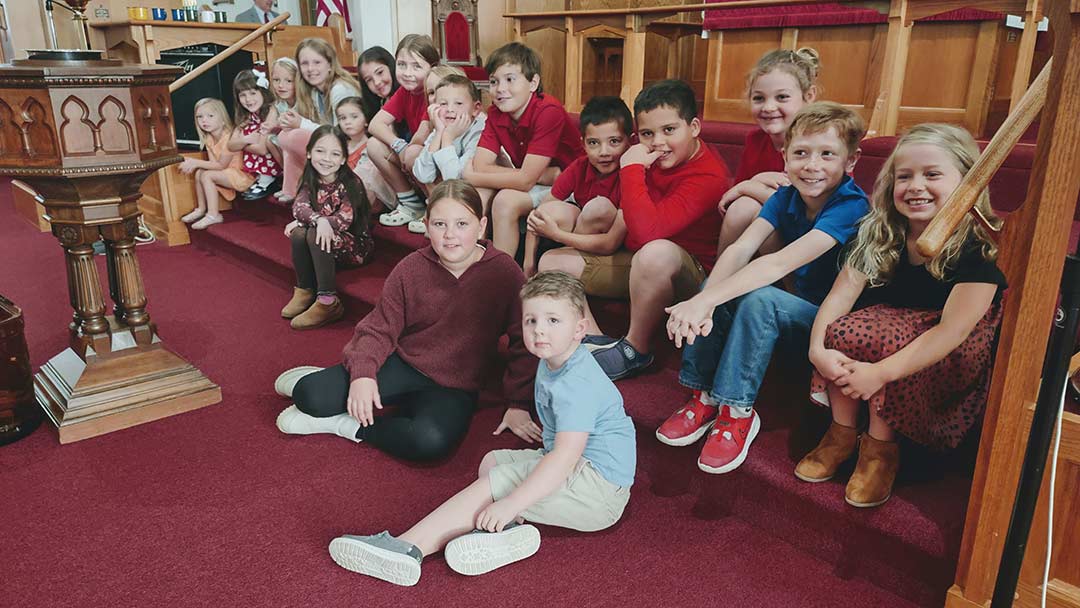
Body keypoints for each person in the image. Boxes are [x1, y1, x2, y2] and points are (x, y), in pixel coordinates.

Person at [326, 271, 635, 586]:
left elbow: (565, 458)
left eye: (553, 321)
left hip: (596, 490)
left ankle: (407, 547)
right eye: (531, 321)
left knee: (499, 483)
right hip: (578, 469)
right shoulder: (554, 357)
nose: (539, 331)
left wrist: (512, 502)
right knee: (492, 463)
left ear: (580, 329)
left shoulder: (575, 384)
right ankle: (503, 533)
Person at [795, 124, 1007, 507]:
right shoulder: (879, 231)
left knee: (883, 338)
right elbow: (840, 295)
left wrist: (879, 373)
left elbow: (953, 331)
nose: (915, 186)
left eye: (932, 174)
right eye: (904, 176)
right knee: (843, 329)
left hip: (946, 351)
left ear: (968, 181)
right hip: (885, 332)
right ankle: (841, 433)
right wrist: (816, 349)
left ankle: (879, 449)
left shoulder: (977, 247)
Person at [659, 101, 869, 475]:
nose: (812, 165)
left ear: (850, 161)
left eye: (827, 155)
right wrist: (704, 298)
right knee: (715, 283)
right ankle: (703, 394)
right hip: (796, 301)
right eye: (801, 153)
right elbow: (742, 247)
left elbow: (779, 263)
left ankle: (736, 409)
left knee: (761, 298)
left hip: (829, 322)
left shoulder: (850, 206)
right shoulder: (785, 196)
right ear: (785, 156)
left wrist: (704, 302)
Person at [275, 180, 541, 461]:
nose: (450, 235)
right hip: (404, 365)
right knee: (309, 396)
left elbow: (523, 340)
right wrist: (363, 374)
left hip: (454, 386)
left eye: (462, 224)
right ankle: (332, 375)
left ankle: (347, 426)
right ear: (426, 225)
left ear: (482, 225)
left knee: (430, 443)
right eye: (440, 225)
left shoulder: (504, 272)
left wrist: (518, 403)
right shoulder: (411, 268)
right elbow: (378, 328)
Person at [543, 80, 729, 380]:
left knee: (654, 252)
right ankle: (596, 338)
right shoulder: (648, 157)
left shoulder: (707, 175)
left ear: (693, 127)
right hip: (638, 259)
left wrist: (631, 169)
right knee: (552, 263)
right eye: (647, 133)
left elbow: (646, 235)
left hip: (689, 274)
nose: (658, 142)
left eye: (669, 130)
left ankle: (636, 349)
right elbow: (629, 226)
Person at [462, 42, 583, 257]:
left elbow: (523, 180)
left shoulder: (548, 110)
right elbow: (482, 164)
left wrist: (472, 176)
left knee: (505, 200)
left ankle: (503, 273)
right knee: (478, 193)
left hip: (571, 187)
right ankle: (472, 263)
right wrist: (541, 175)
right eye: (493, 81)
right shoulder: (496, 113)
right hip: (543, 180)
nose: (500, 89)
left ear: (533, 82)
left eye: (510, 79)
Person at [717, 48, 820, 257]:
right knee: (742, 209)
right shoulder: (756, 140)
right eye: (759, 98)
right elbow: (736, 199)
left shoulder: (820, 143)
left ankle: (787, 288)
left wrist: (749, 185)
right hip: (763, 232)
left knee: (758, 215)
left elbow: (805, 210)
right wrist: (751, 183)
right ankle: (718, 279)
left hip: (810, 236)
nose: (769, 107)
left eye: (782, 97)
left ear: (809, 96)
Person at [523, 96, 632, 277]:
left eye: (614, 141)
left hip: (616, 245)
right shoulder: (580, 166)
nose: (603, 152)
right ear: (583, 144)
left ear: (629, 141)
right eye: (594, 143)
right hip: (583, 233)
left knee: (599, 207)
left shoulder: (630, 173)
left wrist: (557, 235)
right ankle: (557, 259)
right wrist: (528, 265)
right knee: (551, 210)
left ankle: (562, 259)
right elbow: (539, 215)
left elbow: (611, 243)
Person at [280, 125, 374, 330]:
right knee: (298, 233)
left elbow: (345, 220)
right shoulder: (310, 179)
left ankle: (328, 301)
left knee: (313, 232)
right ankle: (305, 290)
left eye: (335, 153)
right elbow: (299, 207)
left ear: (343, 159)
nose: (326, 158)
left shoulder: (351, 182)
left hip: (355, 245)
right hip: (325, 239)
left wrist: (315, 221)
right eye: (320, 151)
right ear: (309, 152)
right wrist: (316, 219)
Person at [274, 38, 362, 204]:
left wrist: (301, 124)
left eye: (317, 62)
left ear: (330, 64)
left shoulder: (340, 89)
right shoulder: (315, 91)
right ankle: (293, 188)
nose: (310, 69)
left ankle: (325, 185)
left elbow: (341, 134)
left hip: (352, 150)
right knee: (285, 135)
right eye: (305, 63)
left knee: (293, 136)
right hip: (334, 145)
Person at [368, 34, 440, 227]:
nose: (408, 72)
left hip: (442, 159)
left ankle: (437, 210)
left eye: (417, 66)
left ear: (433, 68)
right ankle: (412, 204)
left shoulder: (436, 93)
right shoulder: (405, 92)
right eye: (402, 65)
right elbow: (375, 124)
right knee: (374, 145)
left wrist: (405, 150)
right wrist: (398, 144)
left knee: (413, 153)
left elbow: (420, 138)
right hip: (417, 158)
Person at [410, 74, 487, 233]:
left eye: (458, 103)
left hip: (479, 189)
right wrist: (439, 132)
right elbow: (423, 174)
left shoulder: (479, 131)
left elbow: (456, 179)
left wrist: (447, 138)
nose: (450, 109)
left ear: (476, 108)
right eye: (443, 103)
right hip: (455, 192)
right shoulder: (441, 127)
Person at [178, 98, 251, 229]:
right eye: (199, 117)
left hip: (241, 175)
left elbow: (221, 165)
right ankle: (201, 209)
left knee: (206, 175)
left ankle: (213, 215)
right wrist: (198, 165)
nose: (204, 120)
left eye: (210, 116)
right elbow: (212, 164)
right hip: (227, 174)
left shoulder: (229, 137)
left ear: (223, 119)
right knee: (200, 172)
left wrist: (195, 162)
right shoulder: (209, 138)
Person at [226, 70, 282, 201]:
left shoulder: (271, 110)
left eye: (253, 93)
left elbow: (262, 149)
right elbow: (230, 145)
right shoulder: (246, 116)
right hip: (259, 151)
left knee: (254, 135)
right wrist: (246, 139)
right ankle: (263, 177)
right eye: (242, 95)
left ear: (263, 92)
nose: (248, 100)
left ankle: (269, 178)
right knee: (247, 131)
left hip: (277, 158)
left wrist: (241, 143)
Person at [334, 97, 396, 212]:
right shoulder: (339, 146)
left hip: (367, 195)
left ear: (366, 120)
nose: (347, 122)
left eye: (354, 117)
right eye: (342, 118)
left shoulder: (372, 146)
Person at [259, 56, 298, 168]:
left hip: (303, 143)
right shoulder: (278, 105)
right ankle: (287, 172)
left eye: (289, 81)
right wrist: (269, 126)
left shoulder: (304, 103)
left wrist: (278, 126)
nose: (281, 86)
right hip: (287, 146)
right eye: (276, 80)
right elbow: (269, 126)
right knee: (269, 139)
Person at [357, 46, 400, 122]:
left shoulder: (407, 96)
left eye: (380, 72)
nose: (377, 82)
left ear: (391, 67)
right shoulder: (376, 104)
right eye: (369, 80)